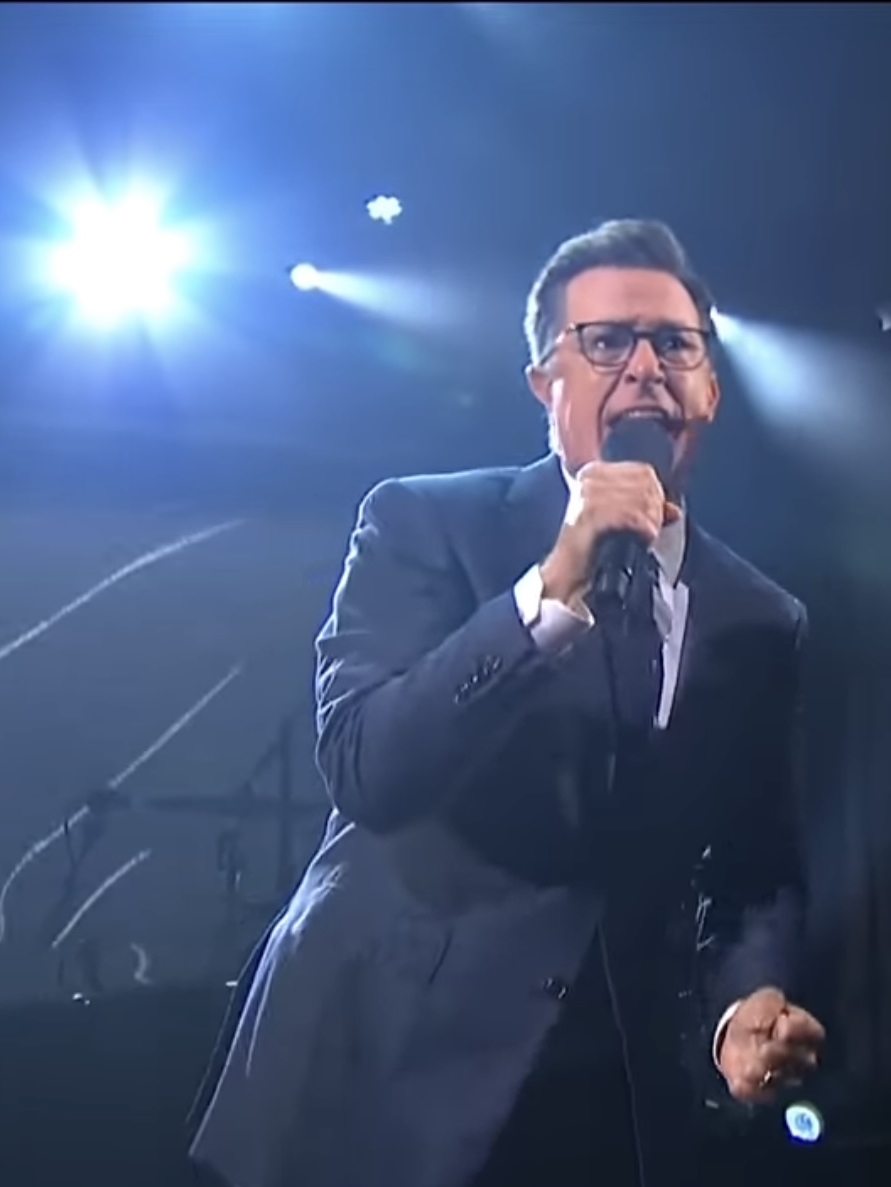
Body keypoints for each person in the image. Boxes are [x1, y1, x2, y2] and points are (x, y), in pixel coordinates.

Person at [187, 219, 824, 1187]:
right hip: (383, 1069)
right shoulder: (425, 522)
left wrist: (746, 998)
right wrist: (550, 588)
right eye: (606, 341)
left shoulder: (760, 615)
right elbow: (366, 765)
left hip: (608, 1087)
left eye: (674, 344)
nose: (644, 367)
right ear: (544, 382)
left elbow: (758, 863)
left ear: (710, 389)